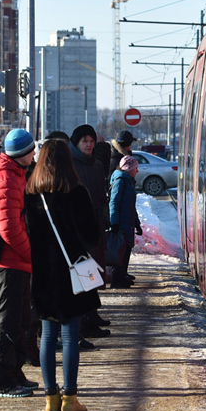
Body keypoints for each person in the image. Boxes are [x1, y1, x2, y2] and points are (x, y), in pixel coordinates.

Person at [24, 139, 100, 411]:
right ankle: (70, 399)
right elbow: (90, 238)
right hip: (71, 273)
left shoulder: (31, 193)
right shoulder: (75, 191)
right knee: (69, 336)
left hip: (43, 273)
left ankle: (50, 400)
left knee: (47, 335)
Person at [0, 128, 38, 398]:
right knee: (6, 320)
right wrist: (31, 254)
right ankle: (1, 380)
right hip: (9, 261)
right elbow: (9, 228)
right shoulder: (6, 177)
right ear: (23, 153)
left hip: (15, 260)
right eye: (32, 149)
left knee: (18, 319)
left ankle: (15, 373)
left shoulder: (15, 173)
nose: (35, 154)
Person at [70, 124, 111, 337]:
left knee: (94, 271)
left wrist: (104, 216)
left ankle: (92, 314)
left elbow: (102, 194)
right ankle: (85, 321)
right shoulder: (70, 164)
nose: (89, 145)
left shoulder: (96, 164)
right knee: (84, 271)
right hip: (79, 224)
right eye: (84, 141)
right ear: (76, 142)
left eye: (91, 141)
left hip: (96, 222)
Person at [109, 155, 143, 289]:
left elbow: (131, 205)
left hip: (127, 221)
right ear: (129, 168)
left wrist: (137, 224)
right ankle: (116, 280)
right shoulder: (121, 181)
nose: (137, 171)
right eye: (136, 168)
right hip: (121, 223)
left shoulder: (128, 180)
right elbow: (114, 202)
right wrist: (114, 223)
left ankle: (122, 275)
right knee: (121, 250)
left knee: (126, 249)